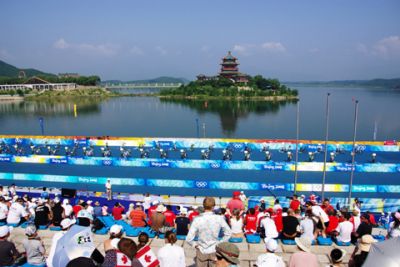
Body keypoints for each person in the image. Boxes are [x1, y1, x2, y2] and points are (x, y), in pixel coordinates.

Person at [186, 196, 232, 267]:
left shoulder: (197, 219)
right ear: (213, 207)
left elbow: (189, 239)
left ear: (203, 206)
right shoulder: (219, 218)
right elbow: (228, 233)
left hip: (201, 250)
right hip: (214, 250)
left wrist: (195, 245)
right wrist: (220, 243)